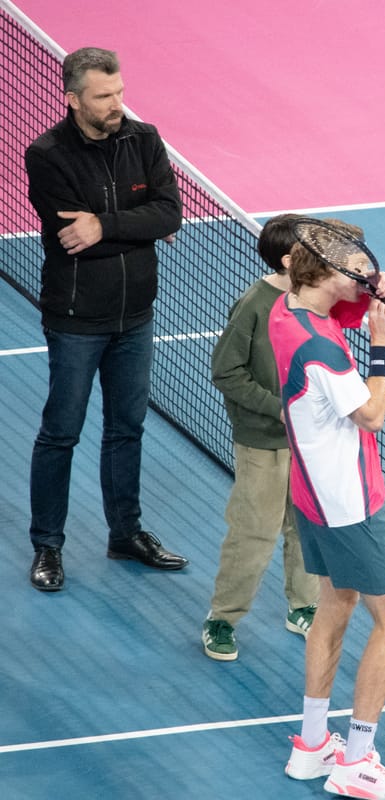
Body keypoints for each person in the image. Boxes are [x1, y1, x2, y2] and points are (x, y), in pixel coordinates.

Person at [24, 47, 187, 592]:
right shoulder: (46, 155)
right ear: (73, 100)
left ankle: (126, 534)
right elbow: (74, 241)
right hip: (75, 319)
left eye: (119, 92)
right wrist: (136, 227)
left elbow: (171, 213)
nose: (117, 104)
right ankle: (48, 545)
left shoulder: (144, 138)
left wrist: (107, 224)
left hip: (136, 317)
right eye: (103, 97)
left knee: (127, 429)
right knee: (60, 433)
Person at [270, 223, 385, 800]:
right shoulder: (323, 346)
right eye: (351, 267)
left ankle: (312, 747)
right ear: (325, 276)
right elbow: (372, 414)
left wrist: (381, 290)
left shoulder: (292, 311)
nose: (361, 272)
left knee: (337, 602)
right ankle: (357, 760)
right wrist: (383, 348)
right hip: (349, 502)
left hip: (312, 494)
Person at [202, 214, 320, 661]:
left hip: (311, 444)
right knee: (253, 534)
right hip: (265, 442)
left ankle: (304, 606)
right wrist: (282, 410)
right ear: (291, 261)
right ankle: (222, 619)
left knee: (308, 528)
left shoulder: (315, 299)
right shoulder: (255, 304)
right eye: (313, 253)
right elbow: (226, 371)